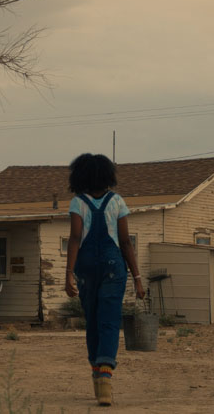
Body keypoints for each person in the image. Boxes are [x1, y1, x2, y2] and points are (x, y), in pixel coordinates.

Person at [64, 153, 145, 406]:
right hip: (113, 267)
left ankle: (96, 374)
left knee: (93, 322)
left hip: (86, 268)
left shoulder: (78, 203)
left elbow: (75, 239)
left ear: (81, 177)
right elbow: (125, 243)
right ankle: (105, 379)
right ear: (107, 176)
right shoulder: (117, 202)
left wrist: (68, 274)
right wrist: (138, 278)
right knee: (109, 322)